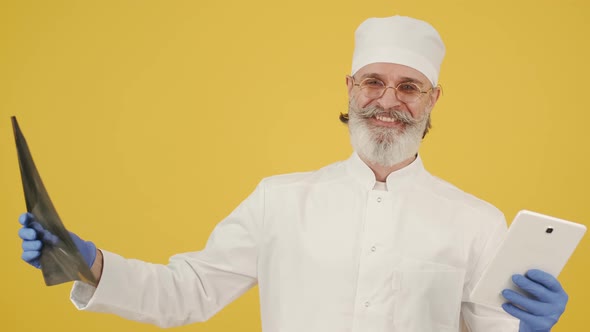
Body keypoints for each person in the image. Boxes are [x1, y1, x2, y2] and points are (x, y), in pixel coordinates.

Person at [18, 15, 568, 332]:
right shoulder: (278, 200)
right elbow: (188, 292)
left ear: (433, 99)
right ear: (350, 87)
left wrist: (529, 329)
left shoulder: (477, 221)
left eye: (409, 86)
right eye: (374, 81)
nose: (388, 100)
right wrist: (88, 263)